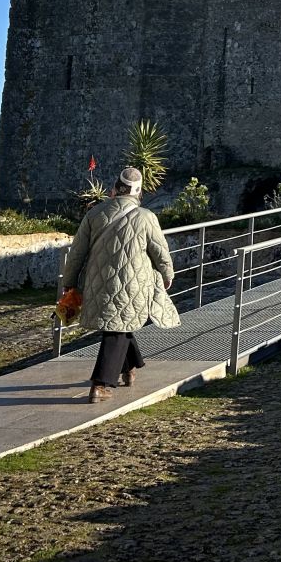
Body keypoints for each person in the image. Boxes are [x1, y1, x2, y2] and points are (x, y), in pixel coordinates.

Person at [61, 166, 179, 403]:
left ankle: (130, 367)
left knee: (120, 323)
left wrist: (70, 282)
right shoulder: (147, 217)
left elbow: (77, 253)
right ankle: (100, 384)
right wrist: (168, 275)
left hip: (98, 282)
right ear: (138, 193)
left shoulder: (94, 214)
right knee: (118, 328)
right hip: (134, 283)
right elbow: (160, 252)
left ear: (114, 189)